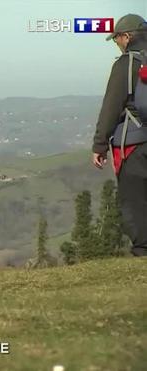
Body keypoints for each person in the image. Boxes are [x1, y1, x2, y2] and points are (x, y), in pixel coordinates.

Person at [92, 14, 147, 257]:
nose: (116, 43)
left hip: (134, 142)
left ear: (127, 37)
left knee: (134, 200)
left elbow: (111, 106)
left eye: (116, 39)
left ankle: (143, 250)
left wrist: (99, 145)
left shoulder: (126, 64)